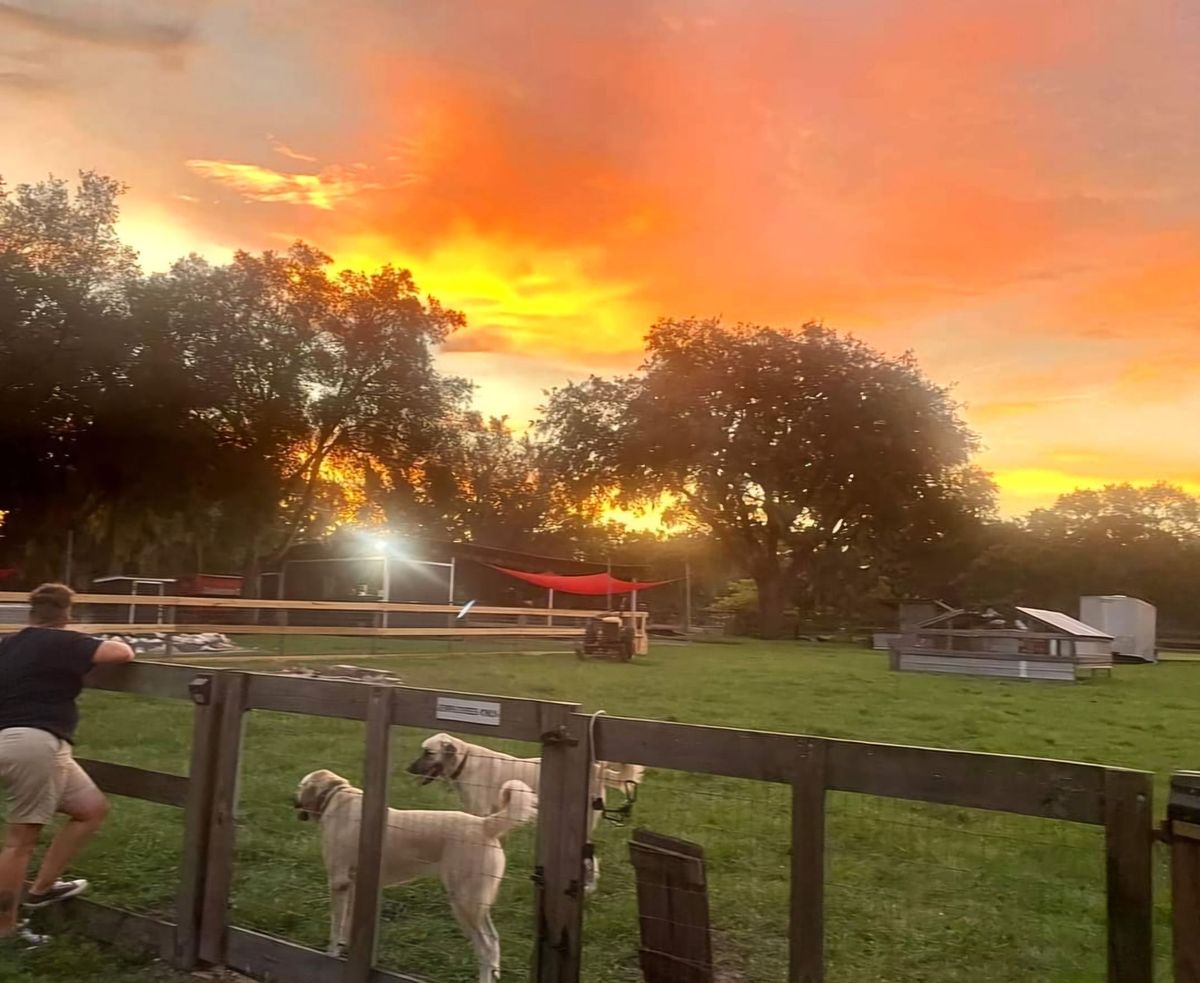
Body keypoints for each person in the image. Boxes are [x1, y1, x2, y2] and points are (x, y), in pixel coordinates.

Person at [0, 583, 135, 947]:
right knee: (20, 843)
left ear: (31, 613)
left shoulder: (8, 643)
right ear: (67, 614)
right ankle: (5, 931)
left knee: (91, 808)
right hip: (34, 744)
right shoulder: (64, 640)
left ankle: (42, 890)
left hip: (28, 741)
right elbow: (121, 653)